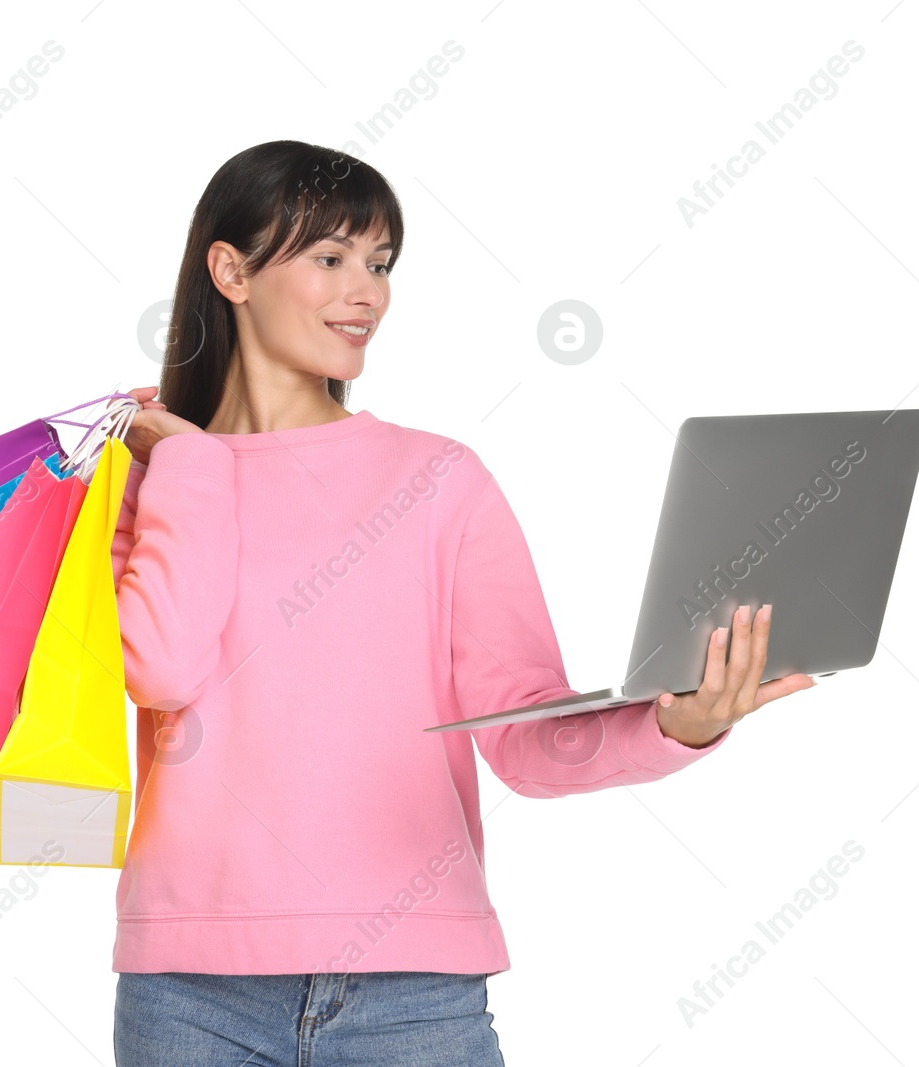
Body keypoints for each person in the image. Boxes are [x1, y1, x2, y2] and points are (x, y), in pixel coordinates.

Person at [106, 140, 815, 1066]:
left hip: (413, 993)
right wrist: (192, 463)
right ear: (230, 269)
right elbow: (158, 666)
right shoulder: (153, 476)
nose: (368, 292)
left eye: (380, 263)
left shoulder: (437, 480)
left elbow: (524, 732)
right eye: (330, 259)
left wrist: (678, 724)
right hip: (190, 991)